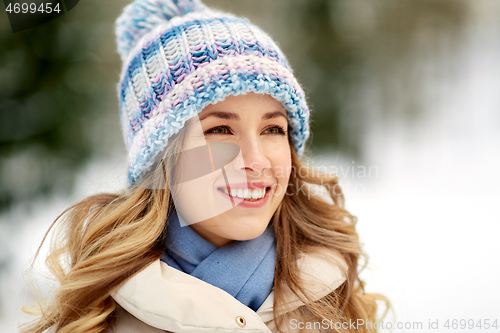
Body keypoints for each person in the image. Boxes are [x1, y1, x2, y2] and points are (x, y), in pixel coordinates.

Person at [22, 0, 386, 332]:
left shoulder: (332, 297)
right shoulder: (99, 321)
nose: (256, 160)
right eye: (220, 130)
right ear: (160, 158)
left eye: (273, 128)